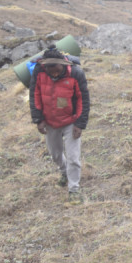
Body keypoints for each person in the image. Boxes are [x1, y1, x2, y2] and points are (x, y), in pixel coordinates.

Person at [29, 46, 90, 203]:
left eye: (56, 70)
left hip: (71, 121)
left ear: (63, 64)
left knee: (73, 157)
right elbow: (34, 94)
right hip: (50, 121)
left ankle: (74, 189)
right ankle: (64, 172)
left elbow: (83, 99)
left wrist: (80, 124)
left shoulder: (76, 73)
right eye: (50, 71)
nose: (54, 74)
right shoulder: (39, 71)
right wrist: (38, 119)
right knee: (55, 154)